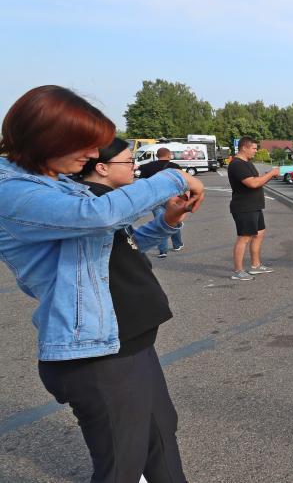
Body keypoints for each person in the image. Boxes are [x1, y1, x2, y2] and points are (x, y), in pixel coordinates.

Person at [0, 86, 204, 483]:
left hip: (129, 341)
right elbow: (97, 216)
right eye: (86, 144)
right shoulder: (12, 191)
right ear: (48, 139)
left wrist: (167, 222)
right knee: (121, 467)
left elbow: (113, 245)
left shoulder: (58, 184)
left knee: (161, 440)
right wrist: (173, 176)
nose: (94, 154)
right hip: (96, 353)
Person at [228, 137, 279, 280]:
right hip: (244, 207)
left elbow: (257, 181)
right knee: (244, 238)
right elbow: (252, 183)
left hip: (255, 206)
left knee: (259, 233)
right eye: (254, 148)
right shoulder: (237, 164)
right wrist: (271, 173)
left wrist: (269, 176)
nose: (256, 151)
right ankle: (238, 271)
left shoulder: (247, 163)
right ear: (244, 147)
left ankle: (256, 266)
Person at [139, 147, 184, 257]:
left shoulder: (148, 166)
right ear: (169, 155)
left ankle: (163, 251)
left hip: (156, 198)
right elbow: (183, 182)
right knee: (173, 220)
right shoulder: (175, 166)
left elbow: (142, 183)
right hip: (172, 198)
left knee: (161, 223)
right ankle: (177, 244)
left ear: (157, 155)